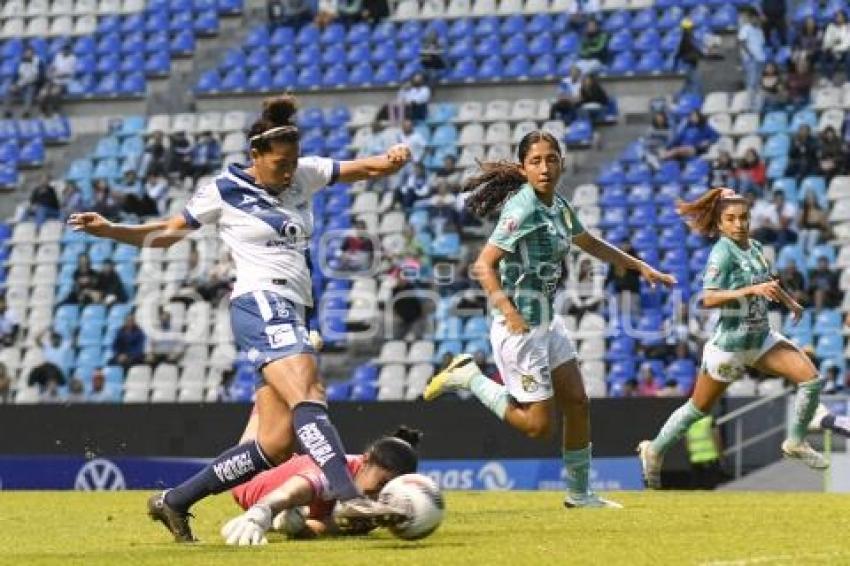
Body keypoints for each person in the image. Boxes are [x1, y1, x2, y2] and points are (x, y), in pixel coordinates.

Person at [69, 94, 412, 542]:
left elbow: (364, 169)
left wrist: (391, 159)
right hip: (260, 301)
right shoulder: (222, 190)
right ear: (256, 155)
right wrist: (111, 229)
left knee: (274, 444)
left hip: (293, 306)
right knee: (310, 395)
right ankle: (349, 495)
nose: (288, 172)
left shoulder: (303, 175)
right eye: (280, 163)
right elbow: (167, 234)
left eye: (292, 162)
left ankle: (174, 501)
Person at [424, 130, 675, 509]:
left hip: (547, 320)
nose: (544, 167)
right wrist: (508, 311)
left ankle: (579, 493)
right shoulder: (521, 209)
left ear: (562, 162)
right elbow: (483, 265)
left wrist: (639, 266)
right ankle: (470, 377)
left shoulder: (557, 205)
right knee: (538, 427)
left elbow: (588, 242)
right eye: (536, 161)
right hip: (519, 327)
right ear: (524, 168)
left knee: (577, 402)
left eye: (551, 159)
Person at [637, 187, 829, 490]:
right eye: (731, 219)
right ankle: (655, 449)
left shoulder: (753, 247)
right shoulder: (721, 253)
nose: (739, 224)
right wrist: (748, 291)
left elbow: (765, 283)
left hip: (760, 338)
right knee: (698, 410)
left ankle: (795, 440)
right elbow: (708, 298)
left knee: (811, 379)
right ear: (720, 224)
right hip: (731, 347)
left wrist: (789, 302)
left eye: (744, 218)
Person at [221, 422, 422, 544]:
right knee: (264, 415)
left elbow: (321, 526)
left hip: (293, 470)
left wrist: (297, 529)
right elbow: (289, 493)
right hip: (249, 478)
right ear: (366, 461)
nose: (379, 498)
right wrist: (261, 512)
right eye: (381, 484)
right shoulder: (333, 472)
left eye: (388, 492)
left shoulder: (372, 506)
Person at [738, 8, 767, 111]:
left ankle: (757, 106)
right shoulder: (746, 28)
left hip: (760, 59)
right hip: (751, 60)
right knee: (751, 82)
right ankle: (748, 105)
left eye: (757, 18)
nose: (756, 20)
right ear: (751, 18)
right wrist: (750, 56)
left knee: (758, 83)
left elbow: (761, 44)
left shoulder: (759, 30)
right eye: (754, 18)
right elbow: (742, 43)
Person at [685, 414, 724, 489]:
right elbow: (717, 438)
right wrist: (721, 455)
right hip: (710, 458)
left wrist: (690, 455)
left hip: (695, 459)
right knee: (710, 487)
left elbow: (686, 440)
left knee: (696, 487)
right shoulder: (709, 419)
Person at [3, 47, 41, 118]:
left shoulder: (38, 62)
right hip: (21, 83)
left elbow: (40, 76)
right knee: (9, 89)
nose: (28, 55)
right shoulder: (20, 62)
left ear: (33, 54)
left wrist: (32, 82)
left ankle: (26, 112)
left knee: (29, 92)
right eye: (26, 53)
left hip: (32, 83)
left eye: (30, 53)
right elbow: (16, 75)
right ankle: (7, 111)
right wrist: (14, 84)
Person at [39, 44, 76, 116]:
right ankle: (43, 112)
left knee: (54, 93)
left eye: (67, 50)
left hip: (63, 81)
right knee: (42, 93)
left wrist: (59, 75)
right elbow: (53, 66)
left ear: (70, 51)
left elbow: (69, 73)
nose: (65, 52)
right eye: (64, 50)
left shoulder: (73, 59)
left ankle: (56, 111)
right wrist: (49, 72)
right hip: (53, 80)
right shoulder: (58, 56)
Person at [675, 18, 703, 96]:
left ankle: (677, 98)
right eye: (690, 28)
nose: (692, 30)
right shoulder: (686, 39)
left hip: (691, 64)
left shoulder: (688, 38)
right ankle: (695, 101)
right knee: (696, 83)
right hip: (689, 65)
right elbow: (678, 54)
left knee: (687, 85)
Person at [822, 10, 850, 84]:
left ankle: (848, 80)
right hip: (832, 51)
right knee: (825, 56)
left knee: (848, 57)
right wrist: (834, 43)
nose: (839, 18)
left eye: (841, 16)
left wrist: (836, 46)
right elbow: (826, 41)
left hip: (845, 51)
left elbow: (847, 43)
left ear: (844, 17)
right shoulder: (830, 27)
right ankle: (828, 79)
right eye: (837, 16)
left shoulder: (848, 27)